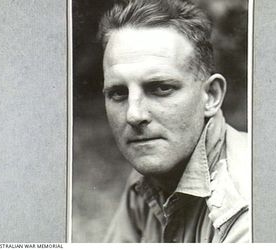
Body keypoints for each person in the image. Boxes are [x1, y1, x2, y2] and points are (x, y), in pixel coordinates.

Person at [97, 0, 250, 243]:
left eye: (160, 88)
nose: (134, 114)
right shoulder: (145, 178)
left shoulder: (248, 205)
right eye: (118, 93)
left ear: (211, 96)